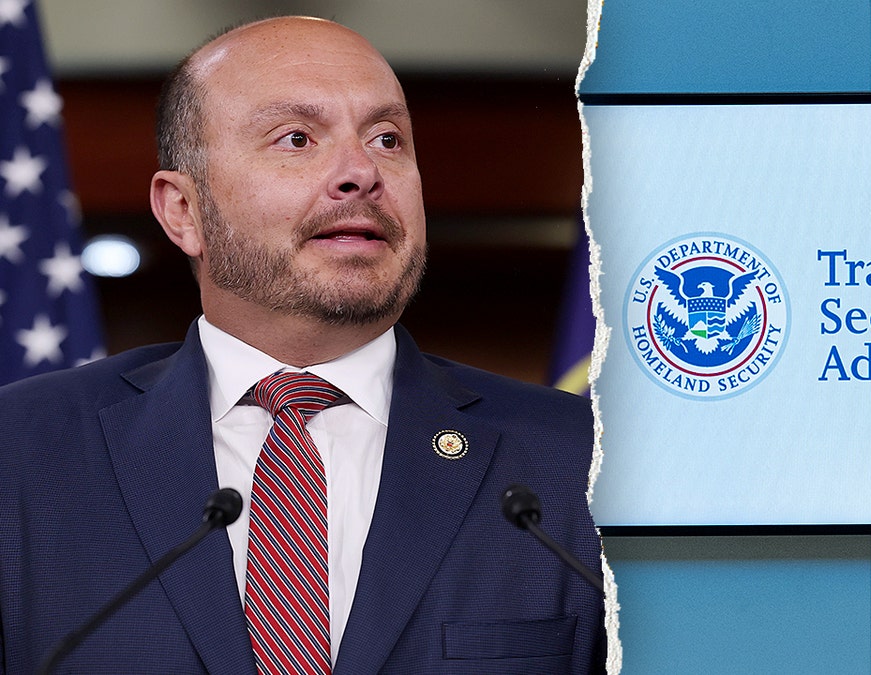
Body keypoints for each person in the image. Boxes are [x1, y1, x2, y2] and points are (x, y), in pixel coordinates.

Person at [0, 16, 604, 674]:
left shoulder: (577, 465)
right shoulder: (22, 453)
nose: (361, 172)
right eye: (297, 138)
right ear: (183, 210)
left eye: (387, 138)